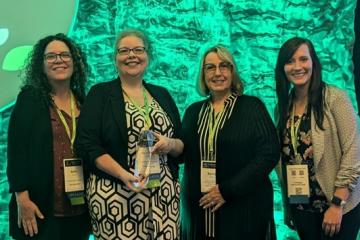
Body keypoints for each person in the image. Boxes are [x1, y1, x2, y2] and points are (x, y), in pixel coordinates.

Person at [75, 29, 184, 240]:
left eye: (138, 50)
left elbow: (182, 144)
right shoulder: (100, 94)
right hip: (115, 195)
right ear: (115, 58)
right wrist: (123, 175)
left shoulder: (162, 94)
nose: (131, 55)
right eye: (124, 50)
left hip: (163, 197)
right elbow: (87, 144)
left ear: (148, 56)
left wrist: (170, 144)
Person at [180, 45, 280, 240]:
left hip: (243, 209)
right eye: (210, 67)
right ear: (203, 73)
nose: (218, 73)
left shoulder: (252, 107)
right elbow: (183, 152)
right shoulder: (193, 112)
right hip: (199, 211)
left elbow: (269, 154)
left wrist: (227, 190)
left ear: (233, 71)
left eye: (224, 66)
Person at [7, 33, 91, 240]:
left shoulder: (83, 101)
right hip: (39, 207)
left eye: (64, 55)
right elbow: (17, 151)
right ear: (41, 65)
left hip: (78, 208)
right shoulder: (30, 98)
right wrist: (22, 199)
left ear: (74, 61)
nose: (59, 60)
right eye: (51, 56)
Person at [275, 37, 360, 240]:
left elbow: (354, 152)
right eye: (290, 61)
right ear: (282, 68)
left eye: (303, 59)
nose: (297, 67)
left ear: (313, 62)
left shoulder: (335, 98)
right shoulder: (282, 108)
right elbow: (286, 160)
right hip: (302, 208)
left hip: (339, 208)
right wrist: (289, 206)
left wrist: (337, 204)